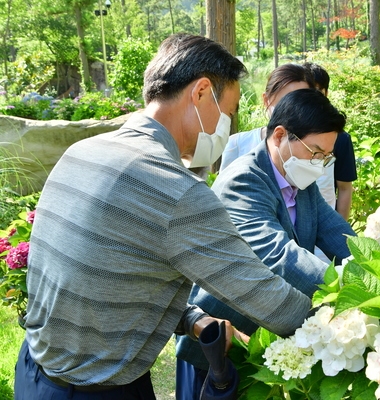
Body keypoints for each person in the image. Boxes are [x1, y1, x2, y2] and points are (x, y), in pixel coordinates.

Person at [14, 34, 313, 400]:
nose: (229, 128)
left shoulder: (82, 151)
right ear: (201, 92)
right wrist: (346, 323)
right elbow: (263, 295)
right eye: (229, 113)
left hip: (33, 372)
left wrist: (189, 317)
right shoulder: (174, 190)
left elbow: (104, 278)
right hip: (95, 390)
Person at [176, 88, 356, 399]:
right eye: (314, 152)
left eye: (326, 157)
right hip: (221, 338)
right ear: (279, 136)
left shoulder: (301, 182)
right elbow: (277, 255)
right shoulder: (244, 180)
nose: (319, 163)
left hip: (266, 336)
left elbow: (337, 234)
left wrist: (378, 271)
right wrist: (345, 291)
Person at [219, 63, 315, 171]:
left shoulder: (317, 149)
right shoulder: (237, 144)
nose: (293, 111)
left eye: (301, 104)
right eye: (284, 103)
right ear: (266, 100)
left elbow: (324, 187)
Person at [303, 62, 357, 220]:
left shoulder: (340, 139)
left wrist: (340, 230)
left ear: (326, 93)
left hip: (324, 222)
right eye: (308, 90)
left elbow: (345, 188)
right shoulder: (284, 135)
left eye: (318, 91)